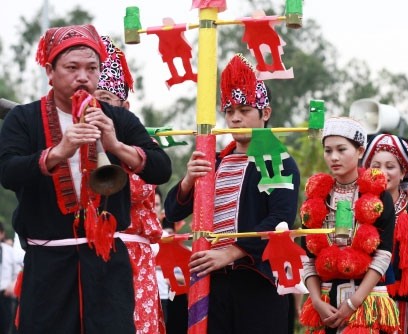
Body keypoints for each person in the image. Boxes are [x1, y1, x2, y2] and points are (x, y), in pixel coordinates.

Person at [0, 24, 172, 334]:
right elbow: (7, 171)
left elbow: (161, 168)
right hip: (47, 264)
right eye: (72, 67)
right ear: (50, 71)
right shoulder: (23, 119)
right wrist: (58, 151)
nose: (83, 76)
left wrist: (116, 145)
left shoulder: (117, 118)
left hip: (107, 265)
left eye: (92, 68)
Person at [164, 53, 300, 334]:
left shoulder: (277, 159)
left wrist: (231, 252)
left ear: (266, 113)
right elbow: (173, 213)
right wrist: (189, 179)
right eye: (229, 111)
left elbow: (280, 219)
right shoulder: (214, 161)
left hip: (259, 281)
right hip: (213, 282)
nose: (235, 118)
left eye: (245, 109)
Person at [93, 35, 166, 334]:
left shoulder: (141, 143)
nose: (98, 107)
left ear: (124, 105)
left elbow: (138, 188)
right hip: (88, 254)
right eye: (94, 98)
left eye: (107, 101)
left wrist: (112, 147)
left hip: (132, 258)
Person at [299, 117, 399, 333]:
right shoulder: (316, 198)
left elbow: (383, 254)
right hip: (325, 303)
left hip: (367, 302)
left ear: (360, 151)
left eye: (341, 149)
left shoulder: (380, 195)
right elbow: (307, 256)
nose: (333, 157)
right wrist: (316, 301)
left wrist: (354, 302)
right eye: (328, 150)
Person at [362, 133, 408, 333]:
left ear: (403, 173)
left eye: (390, 166)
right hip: (363, 304)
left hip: (402, 308)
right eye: (376, 166)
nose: (382, 172)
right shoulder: (358, 209)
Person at [155, 188, 189, 334]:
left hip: (167, 295)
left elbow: (181, 274)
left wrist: (176, 281)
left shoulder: (170, 239)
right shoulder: (131, 235)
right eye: (149, 203)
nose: (152, 207)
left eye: (156, 204)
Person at [0, 222, 20, 334]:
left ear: (2, 234)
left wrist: (12, 285)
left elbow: (17, 271)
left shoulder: (10, 251)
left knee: (6, 327)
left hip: (5, 296)